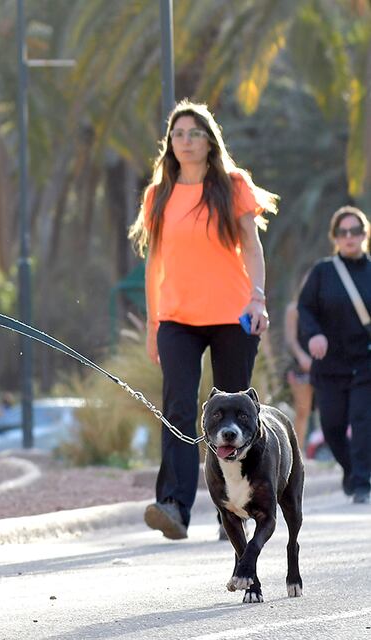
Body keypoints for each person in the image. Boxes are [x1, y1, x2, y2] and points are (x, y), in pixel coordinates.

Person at [128, 100, 279, 540]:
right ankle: (173, 505)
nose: (186, 141)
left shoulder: (233, 185)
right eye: (178, 133)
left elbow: (252, 246)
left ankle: (232, 510)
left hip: (233, 316)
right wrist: (154, 325)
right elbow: (155, 264)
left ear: (209, 141)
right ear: (169, 143)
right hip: (177, 319)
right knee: (177, 407)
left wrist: (258, 299)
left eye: (195, 133)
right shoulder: (159, 195)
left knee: (234, 415)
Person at [297, 205, 371, 504]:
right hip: (329, 365)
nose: (349, 236)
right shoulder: (322, 272)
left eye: (355, 231)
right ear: (335, 237)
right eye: (343, 232)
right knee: (332, 426)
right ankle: (353, 470)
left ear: (364, 234)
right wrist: (314, 334)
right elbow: (305, 308)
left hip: (365, 362)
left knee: (362, 421)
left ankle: (362, 481)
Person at [284, 284, 315, 449]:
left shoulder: (325, 308)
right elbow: (291, 340)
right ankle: (296, 452)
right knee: (303, 411)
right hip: (300, 367)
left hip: (325, 366)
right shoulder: (294, 309)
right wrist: (302, 357)